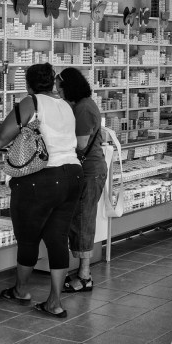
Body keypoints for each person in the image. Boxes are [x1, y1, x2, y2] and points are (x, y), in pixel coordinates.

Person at [0, 63, 82, 318]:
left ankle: (21, 290)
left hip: (42, 178)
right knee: (58, 238)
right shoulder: (65, 105)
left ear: (28, 84)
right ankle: (55, 302)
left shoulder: (31, 102)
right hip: (73, 176)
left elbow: (2, 136)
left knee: (28, 238)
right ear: (52, 82)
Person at [55, 67, 106, 293]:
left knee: (83, 220)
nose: (59, 94)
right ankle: (82, 272)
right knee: (80, 218)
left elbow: (81, 144)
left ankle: (85, 276)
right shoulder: (82, 105)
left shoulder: (84, 108)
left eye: (60, 89)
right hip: (88, 170)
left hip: (90, 171)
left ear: (69, 87)